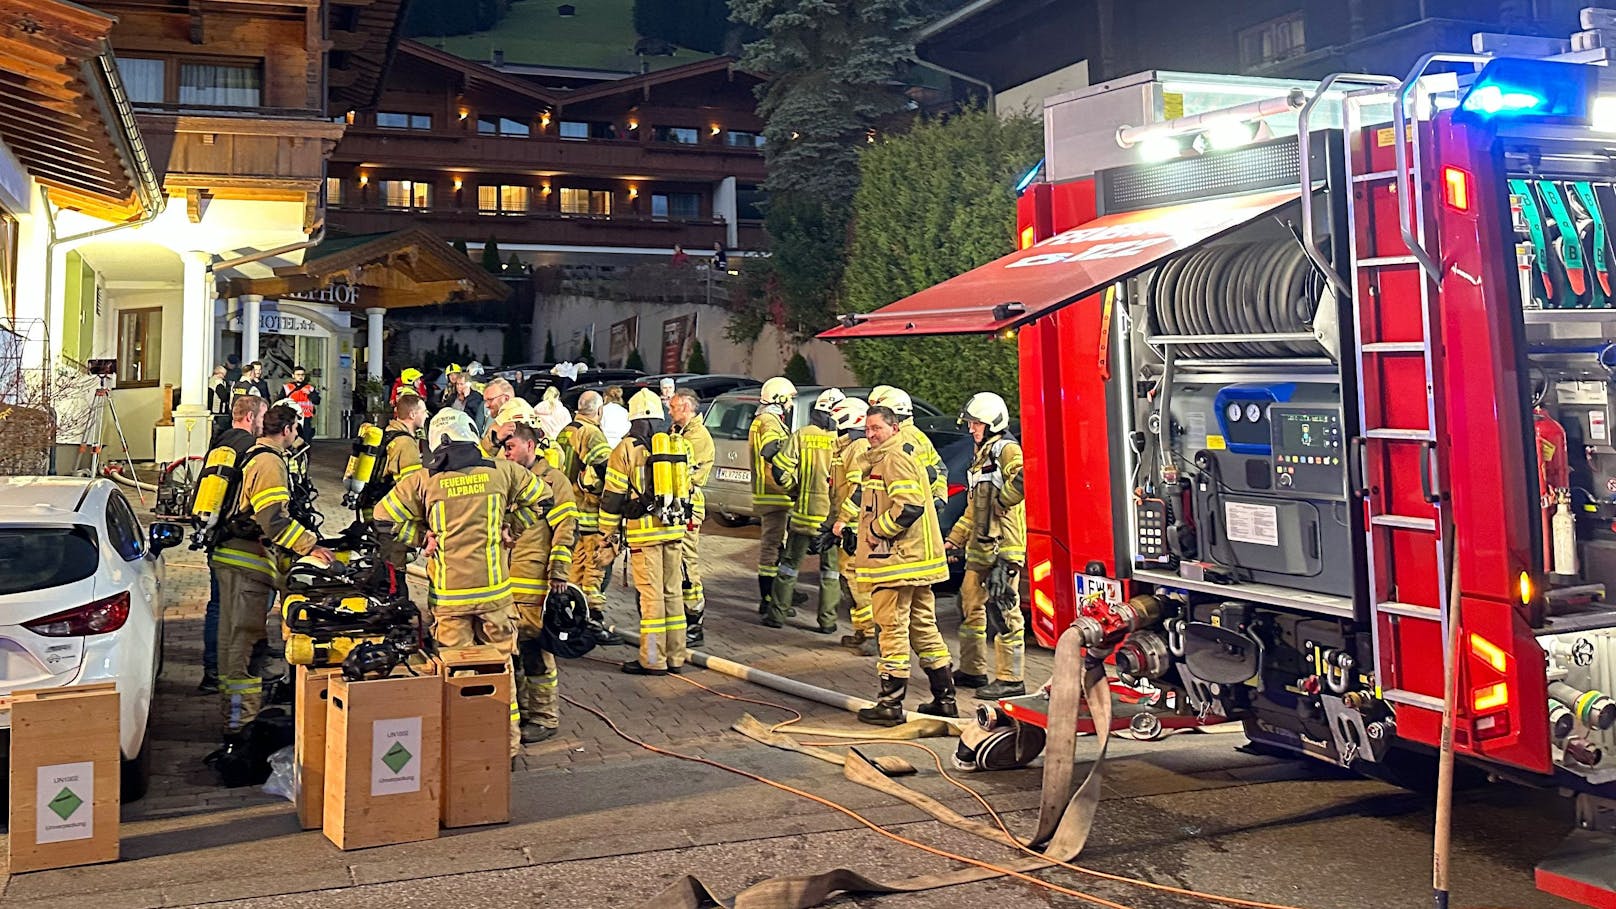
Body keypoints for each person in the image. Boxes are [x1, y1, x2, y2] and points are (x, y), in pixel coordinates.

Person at [373, 408, 547, 754]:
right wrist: (512, 526)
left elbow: (382, 517)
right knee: (499, 670)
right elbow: (543, 497)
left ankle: (465, 750)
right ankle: (506, 748)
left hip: (450, 599)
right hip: (495, 596)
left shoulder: (423, 480)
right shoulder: (504, 472)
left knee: (458, 673)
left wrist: (421, 537)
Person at [213, 404, 333, 733]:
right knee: (243, 644)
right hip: (244, 565)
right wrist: (311, 546)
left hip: (243, 561)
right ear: (287, 428)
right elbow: (274, 520)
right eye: (298, 428)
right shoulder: (268, 462)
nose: (299, 435)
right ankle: (239, 728)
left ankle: (238, 720)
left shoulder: (260, 455)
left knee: (239, 642)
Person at [854, 405, 954, 726]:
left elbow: (909, 506)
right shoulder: (893, 455)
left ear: (894, 428)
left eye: (877, 428)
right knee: (924, 628)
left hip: (895, 562)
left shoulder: (893, 457)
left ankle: (890, 705)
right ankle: (945, 699)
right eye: (868, 429)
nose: (871, 434)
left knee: (891, 628)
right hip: (913, 562)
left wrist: (876, 531)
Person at [599, 389, 689, 675]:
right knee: (673, 594)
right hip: (674, 529)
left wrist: (607, 534)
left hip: (644, 535)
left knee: (651, 598)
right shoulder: (675, 443)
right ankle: (676, 656)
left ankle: (652, 660)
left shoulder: (625, 449)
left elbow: (612, 497)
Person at [500, 421, 578, 744]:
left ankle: (545, 717)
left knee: (537, 651)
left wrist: (559, 573)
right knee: (514, 654)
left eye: (511, 446)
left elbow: (565, 530)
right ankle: (525, 712)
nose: (506, 452)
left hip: (535, 584)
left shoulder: (554, 481)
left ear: (530, 447)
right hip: (507, 584)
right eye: (504, 447)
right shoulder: (506, 476)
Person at [948, 392, 1028, 699]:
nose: (971, 429)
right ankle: (972, 669)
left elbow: (1024, 478)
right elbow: (973, 507)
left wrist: (1002, 501)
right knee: (970, 605)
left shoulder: (1006, 450)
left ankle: (1011, 679)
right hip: (980, 547)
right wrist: (954, 538)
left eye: (976, 424)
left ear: (993, 423)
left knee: (1004, 611)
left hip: (1003, 547)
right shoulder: (983, 454)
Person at [197, 394, 268, 695]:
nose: (264, 424)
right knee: (237, 609)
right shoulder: (250, 449)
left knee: (216, 605)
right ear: (250, 417)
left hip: (215, 535)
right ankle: (230, 667)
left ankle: (211, 670)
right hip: (237, 539)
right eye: (263, 417)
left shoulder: (220, 444)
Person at [766, 387, 844, 633]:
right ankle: (828, 622)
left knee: (789, 566)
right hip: (831, 521)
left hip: (803, 514)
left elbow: (780, 469)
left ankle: (776, 616)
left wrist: (794, 490)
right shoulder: (844, 442)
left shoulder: (802, 435)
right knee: (831, 572)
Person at [557, 390, 623, 645]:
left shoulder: (566, 431)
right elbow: (605, 472)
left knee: (575, 570)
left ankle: (574, 621)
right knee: (595, 571)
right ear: (599, 411)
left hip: (569, 514)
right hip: (590, 516)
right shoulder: (591, 433)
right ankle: (594, 624)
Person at [827, 398, 878, 657]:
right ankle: (861, 631)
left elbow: (859, 491)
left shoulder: (857, 447)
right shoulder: (844, 448)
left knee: (858, 580)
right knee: (849, 577)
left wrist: (843, 520)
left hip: (856, 527)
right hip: (846, 524)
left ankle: (871, 634)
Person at [749, 376, 798, 617]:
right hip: (774, 494)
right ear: (780, 398)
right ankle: (769, 599)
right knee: (771, 548)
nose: (791, 403)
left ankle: (777, 594)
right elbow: (770, 449)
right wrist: (788, 468)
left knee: (776, 546)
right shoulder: (770, 421)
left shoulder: (763, 419)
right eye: (789, 398)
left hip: (769, 494)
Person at [669, 387, 714, 645]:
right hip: (676, 505)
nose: (670, 411)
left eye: (673, 407)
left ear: (686, 407)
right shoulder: (679, 432)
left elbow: (683, 474)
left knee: (687, 564)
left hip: (688, 507)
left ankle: (694, 621)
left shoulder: (698, 437)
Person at [366, 394, 428, 569]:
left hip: (377, 509)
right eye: (423, 412)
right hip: (393, 517)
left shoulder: (389, 434)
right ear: (413, 414)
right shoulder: (405, 444)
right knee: (394, 569)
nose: (426, 415)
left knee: (383, 562)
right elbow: (412, 490)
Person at [869, 386, 948, 510]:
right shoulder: (915, 433)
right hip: (922, 506)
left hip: (910, 510)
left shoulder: (901, 438)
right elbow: (940, 469)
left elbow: (929, 474)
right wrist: (939, 497)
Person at [439, 364, 486, 429]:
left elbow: (474, 414)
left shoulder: (476, 397)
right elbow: (446, 409)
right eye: (457, 384)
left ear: (468, 384)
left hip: (468, 428)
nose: (459, 387)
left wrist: (467, 396)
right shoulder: (453, 396)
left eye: (461, 384)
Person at [282, 366, 321, 443]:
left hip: (306, 417)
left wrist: (310, 394)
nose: (300, 377)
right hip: (292, 418)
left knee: (306, 441)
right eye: (298, 375)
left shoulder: (310, 388)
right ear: (293, 375)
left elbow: (317, 401)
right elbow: (281, 402)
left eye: (302, 375)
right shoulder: (287, 387)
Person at [208, 365, 231, 437]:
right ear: (220, 373)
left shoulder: (210, 380)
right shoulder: (218, 383)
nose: (224, 377)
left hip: (210, 410)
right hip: (218, 412)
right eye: (224, 374)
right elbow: (223, 396)